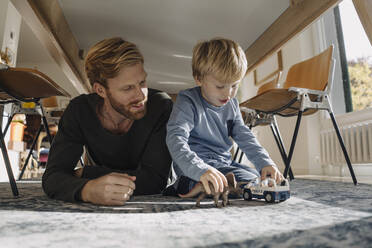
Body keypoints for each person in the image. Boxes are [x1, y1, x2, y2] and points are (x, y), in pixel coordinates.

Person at [42, 37, 173, 205]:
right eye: (127, 88)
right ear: (100, 90)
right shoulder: (79, 110)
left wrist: (87, 174)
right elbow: (52, 177)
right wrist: (87, 190)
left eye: (142, 82)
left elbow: (155, 181)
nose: (141, 95)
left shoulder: (160, 106)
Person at [166, 38, 284, 196]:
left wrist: (265, 163)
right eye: (220, 86)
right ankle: (189, 184)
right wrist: (200, 170)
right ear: (198, 78)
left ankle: (215, 187)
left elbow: (246, 137)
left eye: (234, 85)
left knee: (257, 179)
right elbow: (175, 139)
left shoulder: (232, 104)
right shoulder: (187, 101)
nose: (228, 93)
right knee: (242, 183)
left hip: (224, 164)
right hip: (196, 167)